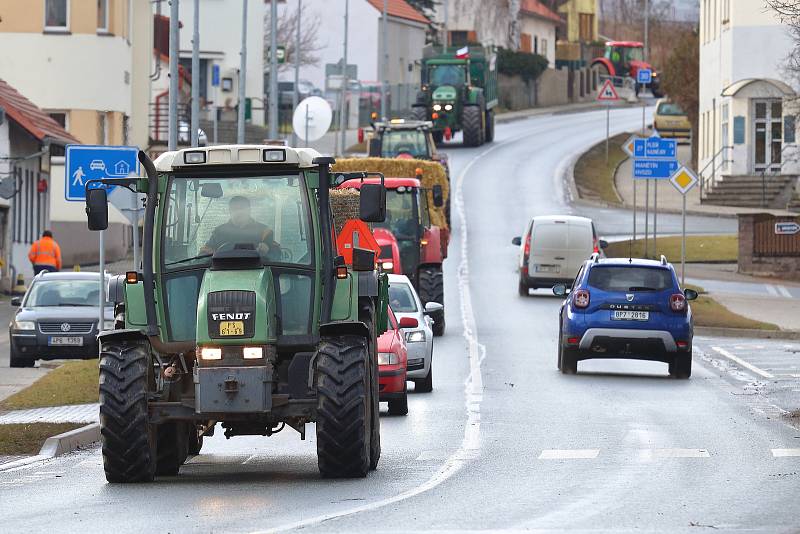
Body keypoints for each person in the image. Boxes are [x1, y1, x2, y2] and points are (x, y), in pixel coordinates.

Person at [200, 196, 278, 258]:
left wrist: (268, 250)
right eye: (235, 209)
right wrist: (208, 256)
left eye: (242, 208)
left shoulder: (264, 231)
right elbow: (203, 255)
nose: (239, 212)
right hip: (223, 273)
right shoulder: (219, 232)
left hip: (257, 272)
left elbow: (277, 253)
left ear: (249, 210)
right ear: (230, 211)